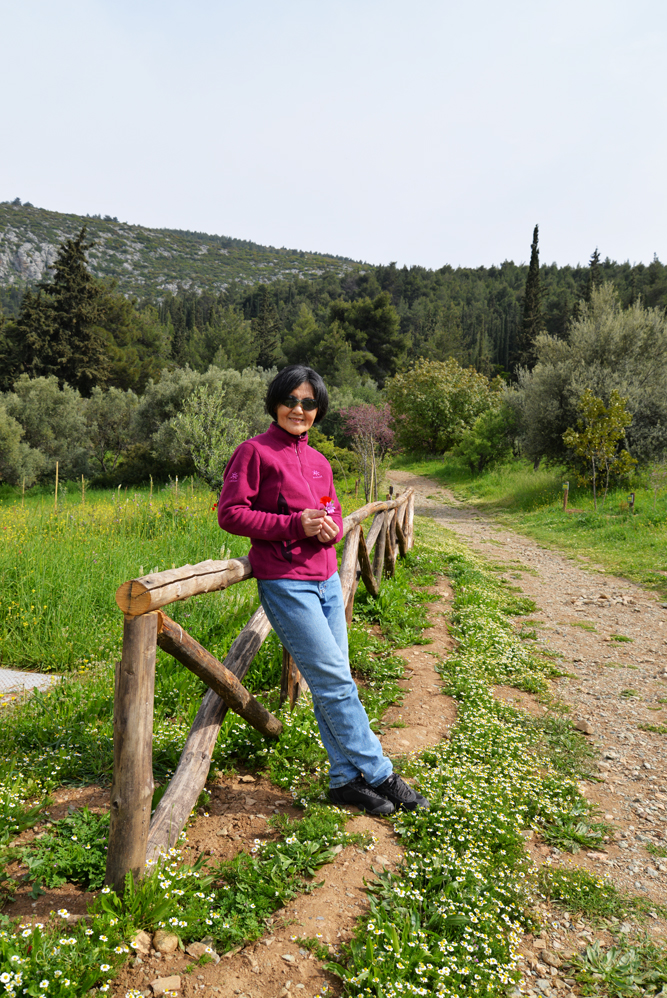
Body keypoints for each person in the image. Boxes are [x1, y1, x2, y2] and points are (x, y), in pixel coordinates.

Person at [217, 364, 429, 815]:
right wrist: (295, 524)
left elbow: (331, 520)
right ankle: (380, 773)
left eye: (308, 402)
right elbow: (231, 513)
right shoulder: (253, 452)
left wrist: (328, 528)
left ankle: (342, 780)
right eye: (291, 400)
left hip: (327, 579)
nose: (299, 409)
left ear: (318, 410)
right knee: (335, 680)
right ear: (275, 402)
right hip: (286, 582)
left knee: (334, 680)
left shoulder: (319, 463)